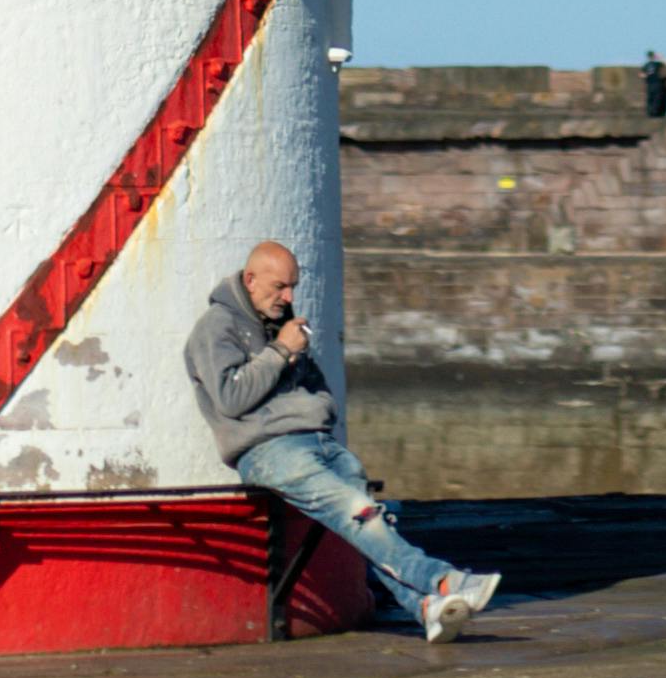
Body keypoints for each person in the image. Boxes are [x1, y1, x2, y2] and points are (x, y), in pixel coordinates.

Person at [188, 239, 498, 641]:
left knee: (370, 516)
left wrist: (317, 407)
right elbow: (230, 398)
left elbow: (316, 385)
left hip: (318, 442)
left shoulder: (281, 323)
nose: (289, 296)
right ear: (250, 280)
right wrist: (281, 350)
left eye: (293, 286)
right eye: (280, 286)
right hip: (268, 451)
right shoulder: (216, 328)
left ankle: (425, 609)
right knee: (358, 513)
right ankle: (443, 581)